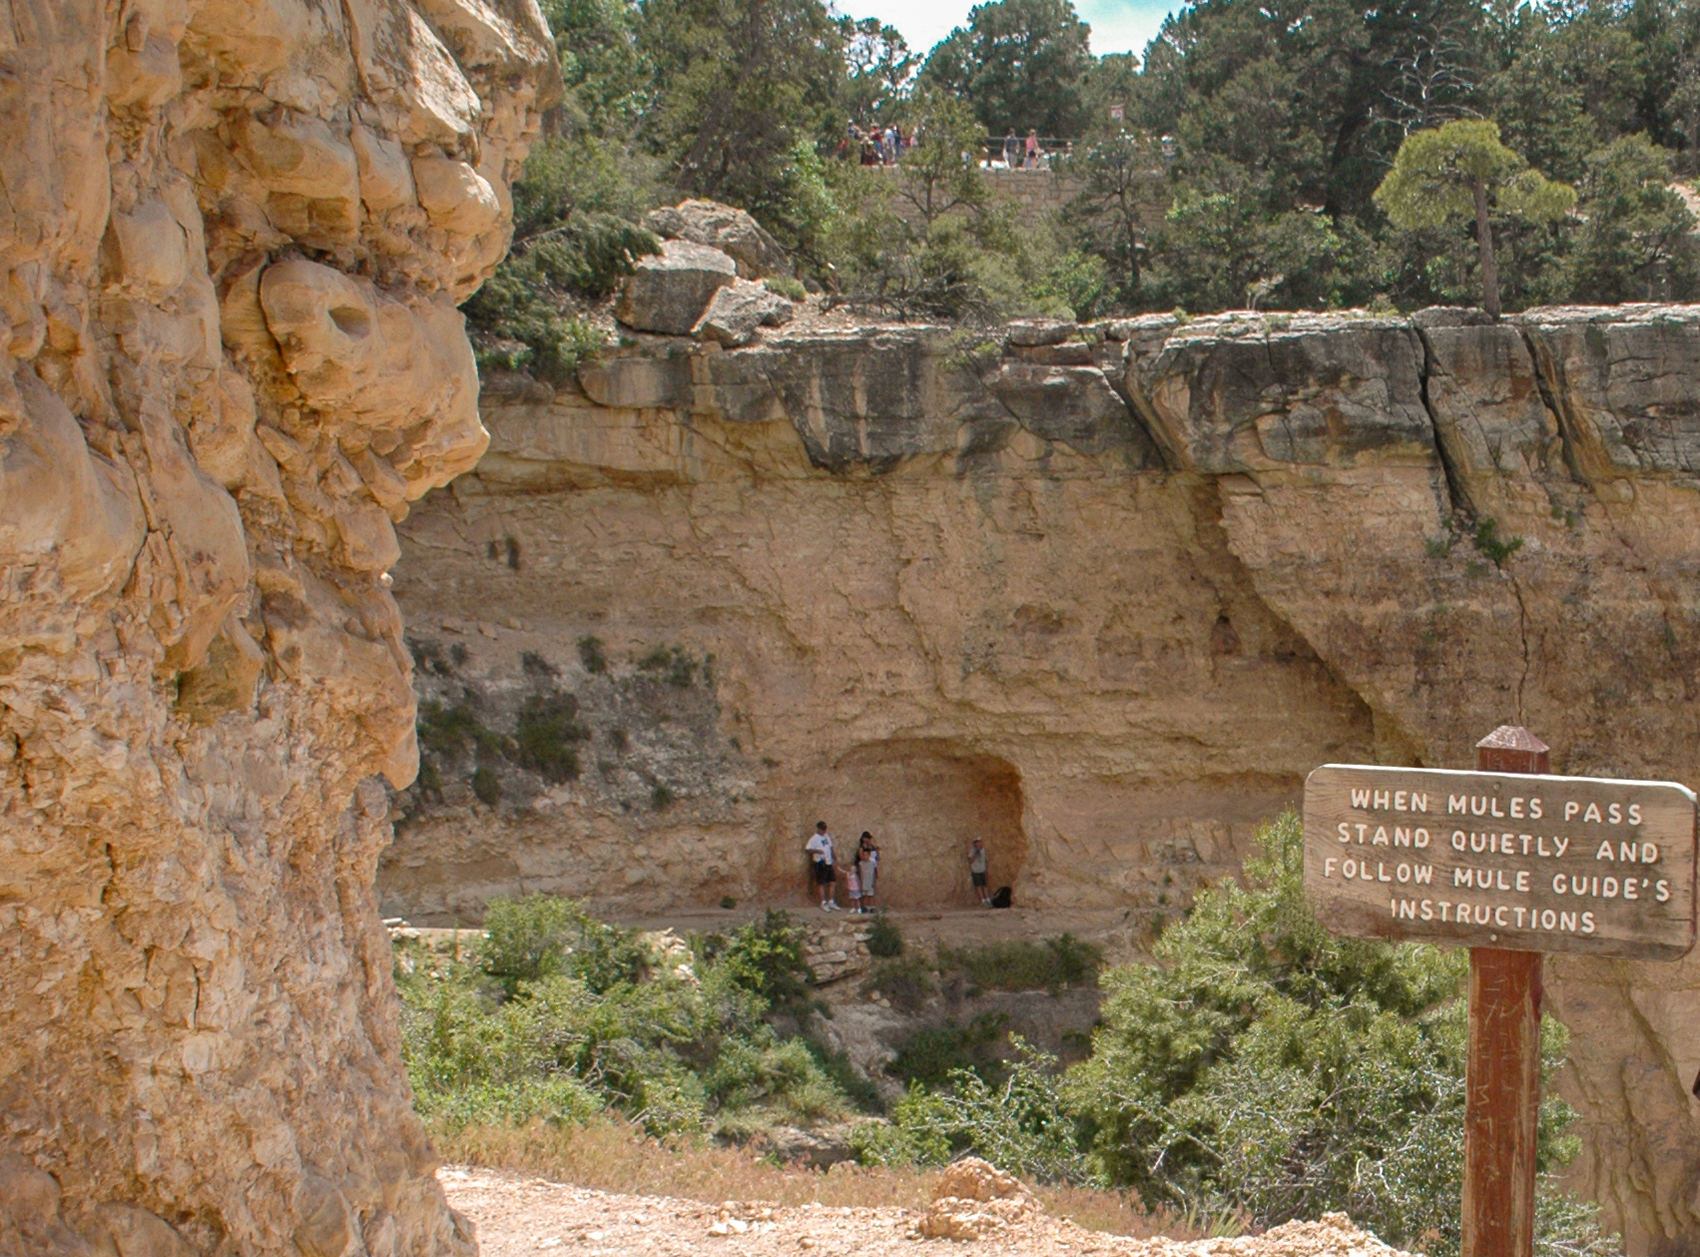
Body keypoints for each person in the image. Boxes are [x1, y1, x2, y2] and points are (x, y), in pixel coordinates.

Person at [806, 821, 839, 910]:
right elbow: (808, 849)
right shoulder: (814, 838)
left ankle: (831, 901)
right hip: (820, 862)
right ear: (819, 829)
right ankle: (823, 902)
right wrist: (817, 851)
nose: (824, 831)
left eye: (825, 829)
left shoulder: (827, 836)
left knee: (832, 882)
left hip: (828, 862)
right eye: (822, 829)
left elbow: (830, 847)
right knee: (821, 883)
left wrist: (834, 858)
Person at [857, 832, 880, 913]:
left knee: (871, 890)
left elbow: (878, 858)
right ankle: (865, 906)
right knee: (865, 890)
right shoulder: (861, 849)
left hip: (871, 871)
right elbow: (862, 858)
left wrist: (874, 846)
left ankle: (871, 907)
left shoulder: (872, 849)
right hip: (865, 872)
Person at [969, 837, 990, 906]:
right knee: (978, 885)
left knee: (984, 885)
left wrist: (986, 869)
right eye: (977, 842)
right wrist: (975, 854)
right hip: (975, 870)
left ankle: (987, 899)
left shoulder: (983, 850)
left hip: (982, 869)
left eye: (979, 842)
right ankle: (982, 900)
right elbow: (970, 860)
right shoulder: (972, 851)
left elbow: (985, 860)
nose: (978, 843)